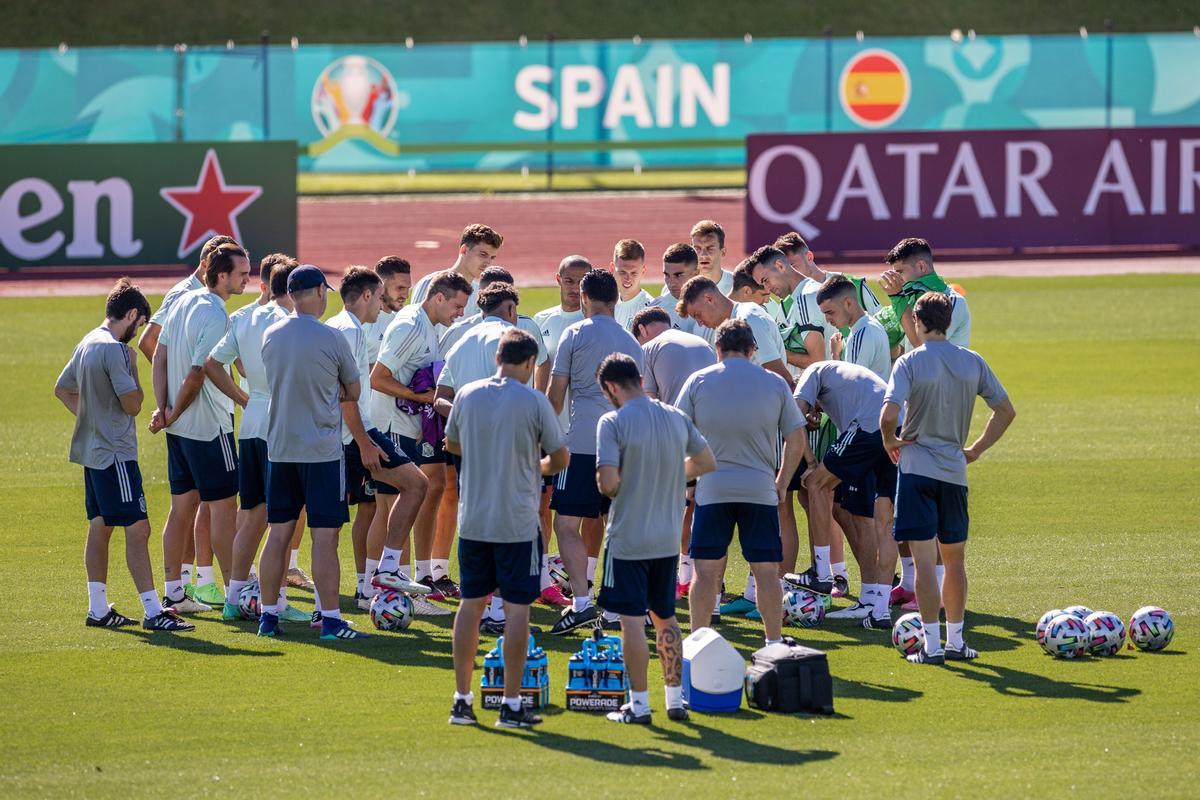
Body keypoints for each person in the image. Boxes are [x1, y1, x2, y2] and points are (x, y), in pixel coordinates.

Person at [881, 292, 1014, 663]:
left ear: (918, 322)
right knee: (954, 562)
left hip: (916, 470)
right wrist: (976, 449)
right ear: (949, 323)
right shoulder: (972, 361)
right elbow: (1005, 411)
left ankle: (932, 647)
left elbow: (888, 414)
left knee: (924, 564)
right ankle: (956, 642)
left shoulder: (909, 361)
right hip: (954, 472)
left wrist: (890, 440)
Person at [55, 278, 194, 632]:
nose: (138, 332)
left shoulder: (87, 341)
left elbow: (62, 389)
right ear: (131, 314)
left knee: (100, 526)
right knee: (138, 528)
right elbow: (133, 405)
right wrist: (133, 366)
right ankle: (153, 611)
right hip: (116, 455)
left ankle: (98, 608)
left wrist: (92, 421)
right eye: (141, 323)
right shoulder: (116, 351)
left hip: (92, 453)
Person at [446, 328, 568, 728]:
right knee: (517, 611)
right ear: (530, 362)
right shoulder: (534, 401)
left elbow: (453, 443)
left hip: (474, 520)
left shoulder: (467, 394)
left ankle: (462, 700)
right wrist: (535, 466)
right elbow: (560, 457)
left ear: (497, 358)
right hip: (517, 522)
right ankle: (511, 705)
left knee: (470, 605)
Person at [595, 354, 715, 724]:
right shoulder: (675, 416)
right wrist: (672, 474)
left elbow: (608, 484)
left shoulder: (612, 421)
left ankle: (639, 706)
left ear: (611, 387)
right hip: (666, 539)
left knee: (631, 622)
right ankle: (675, 701)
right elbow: (706, 461)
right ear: (639, 378)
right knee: (666, 619)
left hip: (627, 537)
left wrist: (625, 481)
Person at [675, 320, 806, 644]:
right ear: (752, 350)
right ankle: (773, 643)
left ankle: (697, 642)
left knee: (705, 572)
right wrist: (782, 481)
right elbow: (797, 438)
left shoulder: (699, 381)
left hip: (713, 490)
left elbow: (675, 433)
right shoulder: (774, 383)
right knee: (766, 572)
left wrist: (686, 478)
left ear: (717, 348)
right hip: (760, 490)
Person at [257, 265, 367, 640]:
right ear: (320, 291)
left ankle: (268, 617)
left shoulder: (271, 334)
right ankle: (331, 620)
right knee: (324, 537)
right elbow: (353, 391)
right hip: (321, 451)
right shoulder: (332, 337)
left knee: (278, 534)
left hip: (280, 449)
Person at [205, 257, 311, 623]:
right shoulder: (289, 323)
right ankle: (276, 601)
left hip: (251, 424)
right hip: (280, 425)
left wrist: (243, 398)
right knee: (282, 519)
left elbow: (212, 363)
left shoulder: (245, 318)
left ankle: (233, 598)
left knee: (251, 515)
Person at [148, 243, 250, 613]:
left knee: (181, 509)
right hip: (209, 429)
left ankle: (174, 592)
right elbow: (200, 371)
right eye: (241, 273)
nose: (247, 279)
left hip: (179, 433)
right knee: (224, 512)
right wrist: (243, 399)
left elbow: (159, 354)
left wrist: (164, 408)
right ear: (222, 275)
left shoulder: (182, 303)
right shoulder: (216, 315)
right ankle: (236, 596)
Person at [327, 266, 429, 623]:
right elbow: (346, 394)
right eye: (380, 298)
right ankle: (386, 569)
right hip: (357, 434)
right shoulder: (353, 331)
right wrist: (363, 442)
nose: (382, 305)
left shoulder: (337, 326)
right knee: (416, 485)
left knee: (331, 522)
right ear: (368, 295)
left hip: (343, 434)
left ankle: (360, 588)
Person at [547, 269, 644, 634]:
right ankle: (619, 606)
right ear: (616, 299)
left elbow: (556, 396)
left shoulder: (575, 333)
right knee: (619, 526)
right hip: (624, 444)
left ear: (584, 298)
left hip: (583, 444)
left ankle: (582, 603)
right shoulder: (631, 342)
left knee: (566, 523)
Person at [878, 238, 972, 608]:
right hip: (915, 402)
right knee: (906, 499)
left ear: (920, 266)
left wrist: (898, 301)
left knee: (928, 497)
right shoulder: (913, 295)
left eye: (901, 271)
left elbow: (922, 347)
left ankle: (938, 590)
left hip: (939, 406)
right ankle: (912, 582)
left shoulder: (949, 301)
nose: (896, 278)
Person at [370, 270, 472, 596]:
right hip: (390, 426)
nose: (460, 313)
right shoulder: (411, 326)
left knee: (394, 504)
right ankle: (393, 581)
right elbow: (378, 378)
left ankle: (381, 585)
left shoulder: (427, 324)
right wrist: (421, 397)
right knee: (403, 500)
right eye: (457, 306)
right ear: (439, 297)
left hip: (403, 426)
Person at [784, 361, 897, 628]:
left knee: (815, 484)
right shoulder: (839, 378)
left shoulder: (811, 373)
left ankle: (822, 573)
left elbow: (793, 419)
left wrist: (811, 462)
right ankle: (872, 599)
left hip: (868, 424)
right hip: (893, 428)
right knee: (865, 517)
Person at [631, 306, 716, 598]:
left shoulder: (648, 349)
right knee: (699, 508)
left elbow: (649, 404)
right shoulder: (702, 342)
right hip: (712, 438)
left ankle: (670, 578)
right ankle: (694, 576)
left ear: (642, 330)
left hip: (675, 438)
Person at [533, 255, 592, 607]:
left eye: (582, 282)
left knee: (583, 511)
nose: (575, 288)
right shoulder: (541, 321)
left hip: (581, 433)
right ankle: (543, 578)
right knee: (541, 505)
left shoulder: (595, 323)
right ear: (558, 279)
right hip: (548, 430)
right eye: (569, 280)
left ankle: (585, 576)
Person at [360, 255, 413, 601]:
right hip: (381, 424)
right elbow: (368, 375)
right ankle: (386, 583)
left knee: (378, 507)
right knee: (390, 505)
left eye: (408, 287)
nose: (404, 294)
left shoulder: (392, 320)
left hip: (376, 424)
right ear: (381, 286)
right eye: (399, 287)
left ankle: (368, 585)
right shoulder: (373, 324)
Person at [677, 275, 793, 389]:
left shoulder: (749, 319)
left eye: (698, 315)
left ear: (709, 299)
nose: (699, 323)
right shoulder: (731, 324)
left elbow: (782, 379)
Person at [408, 224, 503, 333]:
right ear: (464, 250)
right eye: (483, 254)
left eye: (492, 257)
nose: (488, 263)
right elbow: (414, 329)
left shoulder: (480, 295)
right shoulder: (429, 283)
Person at [816, 275, 891, 380]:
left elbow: (850, 385)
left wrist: (834, 355)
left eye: (830, 312)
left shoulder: (861, 334)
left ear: (848, 303)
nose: (827, 319)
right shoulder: (872, 324)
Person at [648, 243, 703, 335]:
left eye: (678, 275)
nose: (671, 283)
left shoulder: (711, 308)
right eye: (667, 275)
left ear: (696, 274)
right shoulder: (656, 309)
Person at [610, 239, 654, 331]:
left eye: (634, 273)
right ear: (612, 269)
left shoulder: (650, 310)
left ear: (643, 271)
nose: (628, 279)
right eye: (622, 272)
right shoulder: (608, 306)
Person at [689, 219, 734, 295]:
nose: (703, 255)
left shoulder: (738, 286)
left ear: (723, 252)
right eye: (698, 249)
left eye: (710, 249)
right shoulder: (678, 288)